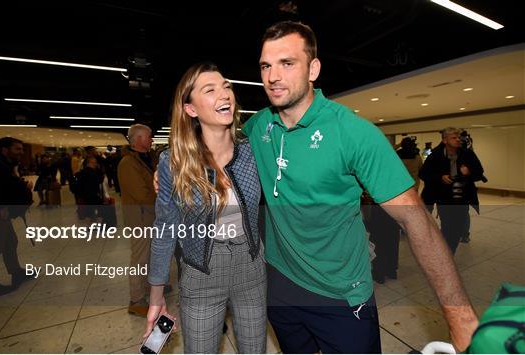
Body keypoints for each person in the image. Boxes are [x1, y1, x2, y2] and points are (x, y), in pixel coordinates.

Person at [242, 21, 478, 353]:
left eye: (287, 63)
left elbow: (417, 222)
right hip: (279, 285)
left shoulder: (353, 133)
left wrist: (462, 322)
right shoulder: (259, 124)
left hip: (341, 294)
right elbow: (219, 145)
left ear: (313, 69)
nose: (273, 76)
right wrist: (175, 164)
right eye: (266, 65)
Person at [146, 62, 266, 353]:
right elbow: (164, 230)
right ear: (191, 109)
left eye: (226, 86)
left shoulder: (255, 150)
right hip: (200, 272)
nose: (224, 94)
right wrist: (156, 297)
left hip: (251, 266)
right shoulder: (174, 163)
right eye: (210, 90)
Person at [118, 124, 161, 317]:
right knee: (140, 259)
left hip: (152, 216)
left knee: (151, 255)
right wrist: (163, 198)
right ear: (139, 139)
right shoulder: (128, 163)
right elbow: (142, 194)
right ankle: (136, 299)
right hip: (140, 220)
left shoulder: (148, 158)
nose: (152, 139)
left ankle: (148, 287)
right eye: (149, 136)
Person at [419, 127, 484, 253]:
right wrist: (440, 177)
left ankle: (448, 252)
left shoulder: (468, 154)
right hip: (444, 199)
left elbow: (479, 173)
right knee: (448, 227)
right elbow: (423, 174)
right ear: (444, 140)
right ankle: (446, 254)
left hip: (463, 198)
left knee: (458, 229)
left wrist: (469, 171)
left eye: (458, 137)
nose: (458, 140)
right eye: (454, 138)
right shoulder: (436, 156)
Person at [0, 137, 35, 299]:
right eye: (17, 149)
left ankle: (16, 271)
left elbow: (7, 186)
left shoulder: (5, 165)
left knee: (10, 241)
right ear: (5, 150)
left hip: (2, 212)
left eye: (21, 149)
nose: (21, 152)